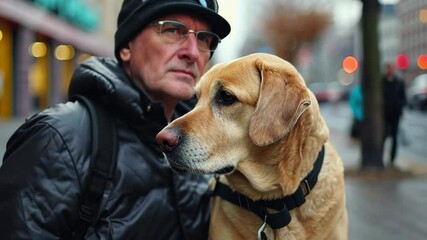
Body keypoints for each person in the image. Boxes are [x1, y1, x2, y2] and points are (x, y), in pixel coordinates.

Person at [0, 0, 230, 239]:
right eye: (172, 29)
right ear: (126, 47)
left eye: (204, 38)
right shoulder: (57, 137)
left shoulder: (206, 144)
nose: (192, 52)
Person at [382, 63, 407, 167]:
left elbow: (403, 98)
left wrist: (399, 106)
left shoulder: (399, 82)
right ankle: (381, 158)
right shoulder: (382, 82)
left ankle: (392, 160)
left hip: (395, 114)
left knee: (394, 137)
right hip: (384, 114)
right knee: (383, 136)